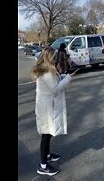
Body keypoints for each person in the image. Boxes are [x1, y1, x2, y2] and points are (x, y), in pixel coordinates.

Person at [30, 47, 77, 176]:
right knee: (46, 135)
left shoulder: (48, 68)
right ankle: (43, 165)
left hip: (48, 106)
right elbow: (55, 88)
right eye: (54, 56)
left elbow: (55, 81)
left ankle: (48, 155)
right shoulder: (45, 72)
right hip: (46, 109)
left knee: (49, 133)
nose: (56, 58)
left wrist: (64, 76)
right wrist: (67, 79)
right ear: (48, 57)